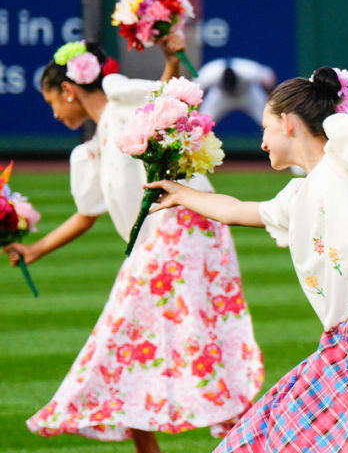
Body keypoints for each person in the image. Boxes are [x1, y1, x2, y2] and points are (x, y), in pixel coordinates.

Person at [144, 38, 348, 452]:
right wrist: (180, 193)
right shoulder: (295, 198)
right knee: (268, 431)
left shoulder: (343, 150)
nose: (262, 141)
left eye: (266, 128)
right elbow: (234, 209)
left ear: (288, 122)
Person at [11, 38, 262, 453]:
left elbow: (162, 97)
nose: (54, 112)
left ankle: (235, 427)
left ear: (69, 90)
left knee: (126, 340)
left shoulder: (118, 98)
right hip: (155, 245)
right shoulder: (91, 151)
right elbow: (85, 215)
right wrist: (35, 250)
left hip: (186, 230)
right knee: (129, 347)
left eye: (52, 100)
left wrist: (168, 58)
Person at [197, 58, 278, 126]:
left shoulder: (248, 71)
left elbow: (268, 79)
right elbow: (196, 89)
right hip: (220, 96)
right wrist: (196, 108)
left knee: (269, 120)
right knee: (202, 123)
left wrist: (270, 102)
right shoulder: (210, 73)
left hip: (248, 94)